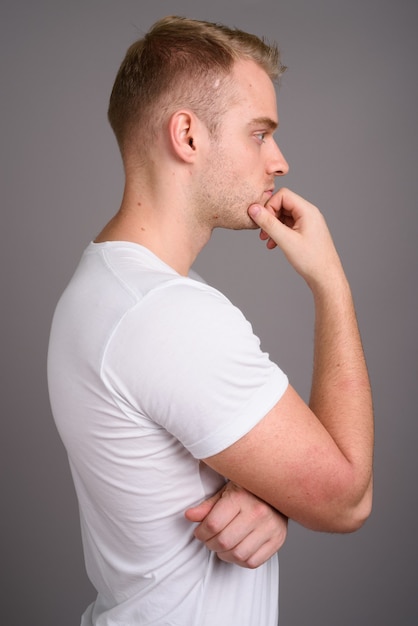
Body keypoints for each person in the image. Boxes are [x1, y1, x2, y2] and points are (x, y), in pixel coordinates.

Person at [47, 15, 374, 626]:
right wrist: (332, 283)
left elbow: (177, 470)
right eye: (259, 133)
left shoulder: (112, 287)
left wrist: (269, 496)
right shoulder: (168, 316)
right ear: (189, 136)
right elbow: (348, 499)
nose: (279, 160)